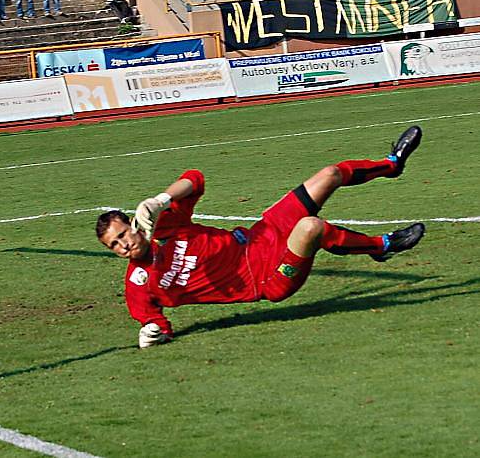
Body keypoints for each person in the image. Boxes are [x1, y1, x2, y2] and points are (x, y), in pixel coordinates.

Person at [96, 127, 426, 348]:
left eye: (122, 234)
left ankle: (391, 165)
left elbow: (194, 178)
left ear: (132, 224)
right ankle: (382, 246)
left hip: (262, 234)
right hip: (268, 279)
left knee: (329, 174)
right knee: (312, 228)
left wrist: (161, 199)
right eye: (114, 245)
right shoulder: (138, 284)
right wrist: (153, 333)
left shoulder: (166, 223)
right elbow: (153, 323)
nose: (123, 245)